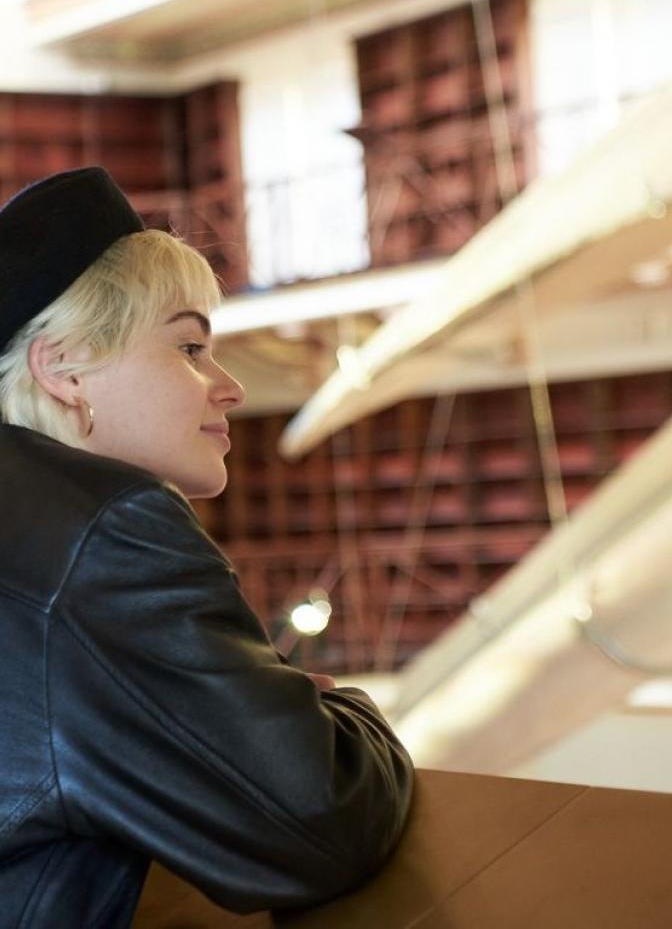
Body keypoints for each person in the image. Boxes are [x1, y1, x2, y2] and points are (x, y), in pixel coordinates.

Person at [0, 168, 413, 927]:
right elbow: (315, 821)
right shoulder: (102, 534)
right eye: (189, 347)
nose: (230, 388)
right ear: (61, 369)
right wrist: (349, 717)